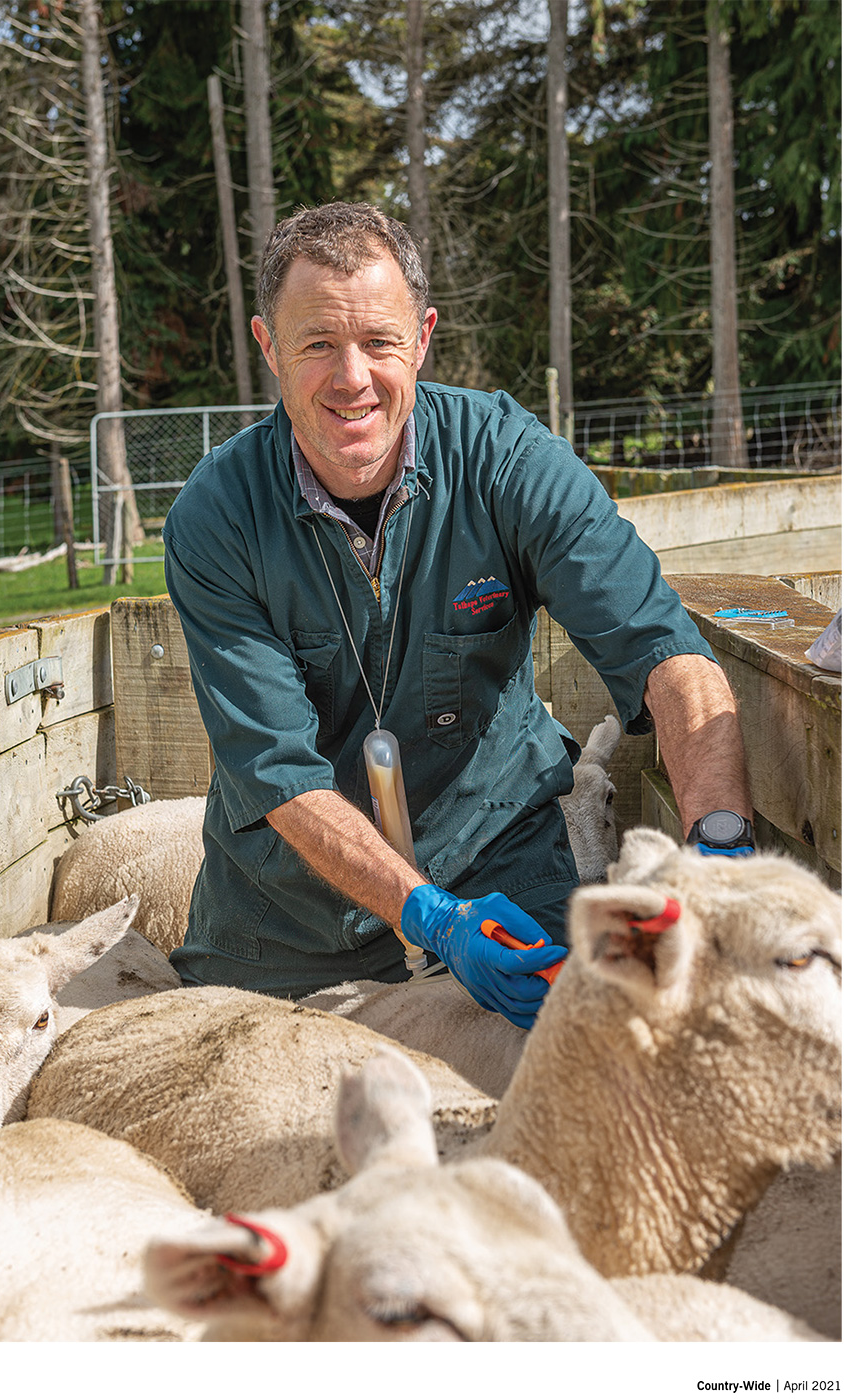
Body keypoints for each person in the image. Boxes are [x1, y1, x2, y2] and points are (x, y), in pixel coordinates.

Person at [161, 201, 753, 1026]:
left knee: (587, 1059)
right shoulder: (217, 515)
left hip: (499, 867)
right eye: (318, 343)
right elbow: (277, 773)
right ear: (268, 345)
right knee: (225, 1089)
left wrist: (721, 849)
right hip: (288, 915)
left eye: (379, 341)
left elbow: (663, 651)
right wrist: (429, 915)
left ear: (423, 337)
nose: (352, 377)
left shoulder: (508, 460)